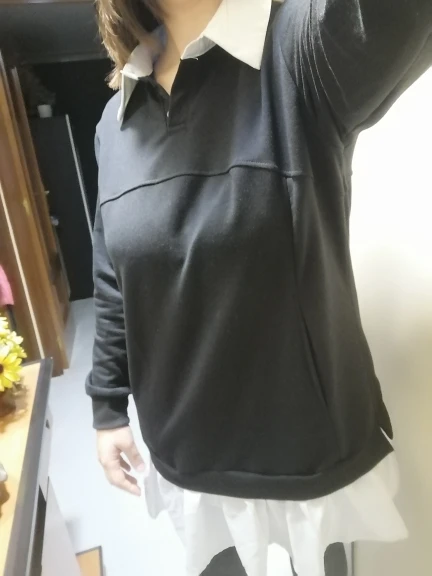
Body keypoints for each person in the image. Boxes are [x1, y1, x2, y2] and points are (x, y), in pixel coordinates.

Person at [86, 0, 432, 574]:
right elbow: (112, 274)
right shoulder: (114, 120)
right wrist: (107, 408)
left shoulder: (301, 45)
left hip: (306, 453)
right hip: (185, 453)